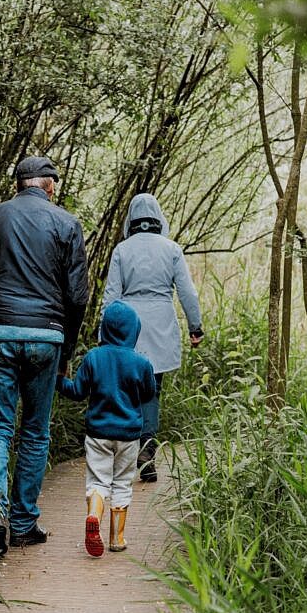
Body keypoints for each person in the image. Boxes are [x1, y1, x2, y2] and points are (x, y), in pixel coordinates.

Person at [0, 155, 89, 558]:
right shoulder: (67, 224)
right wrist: (66, 346)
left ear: (19, 184)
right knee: (35, 430)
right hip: (47, 337)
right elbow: (77, 297)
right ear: (49, 185)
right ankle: (24, 524)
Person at [102, 193, 202, 482]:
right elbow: (187, 292)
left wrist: (104, 334)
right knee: (152, 389)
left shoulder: (121, 250)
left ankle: (125, 454)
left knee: (126, 390)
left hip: (127, 327)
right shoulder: (171, 249)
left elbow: (111, 296)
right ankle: (147, 449)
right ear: (159, 217)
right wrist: (195, 326)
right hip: (160, 325)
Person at [57, 301, 157, 556]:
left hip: (98, 434)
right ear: (133, 331)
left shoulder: (93, 358)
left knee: (98, 481)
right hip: (128, 436)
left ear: (105, 330)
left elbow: (77, 392)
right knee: (123, 483)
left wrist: (58, 381)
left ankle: (94, 514)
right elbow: (149, 394)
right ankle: (117, 539)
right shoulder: (141, 363)